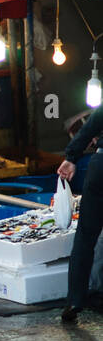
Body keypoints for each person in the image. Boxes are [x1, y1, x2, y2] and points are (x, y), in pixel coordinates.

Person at [58, 107, 103, 324]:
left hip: (100, 167)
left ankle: (75, 300)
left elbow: (89, 127)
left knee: (85, 235)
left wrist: (71, 158)